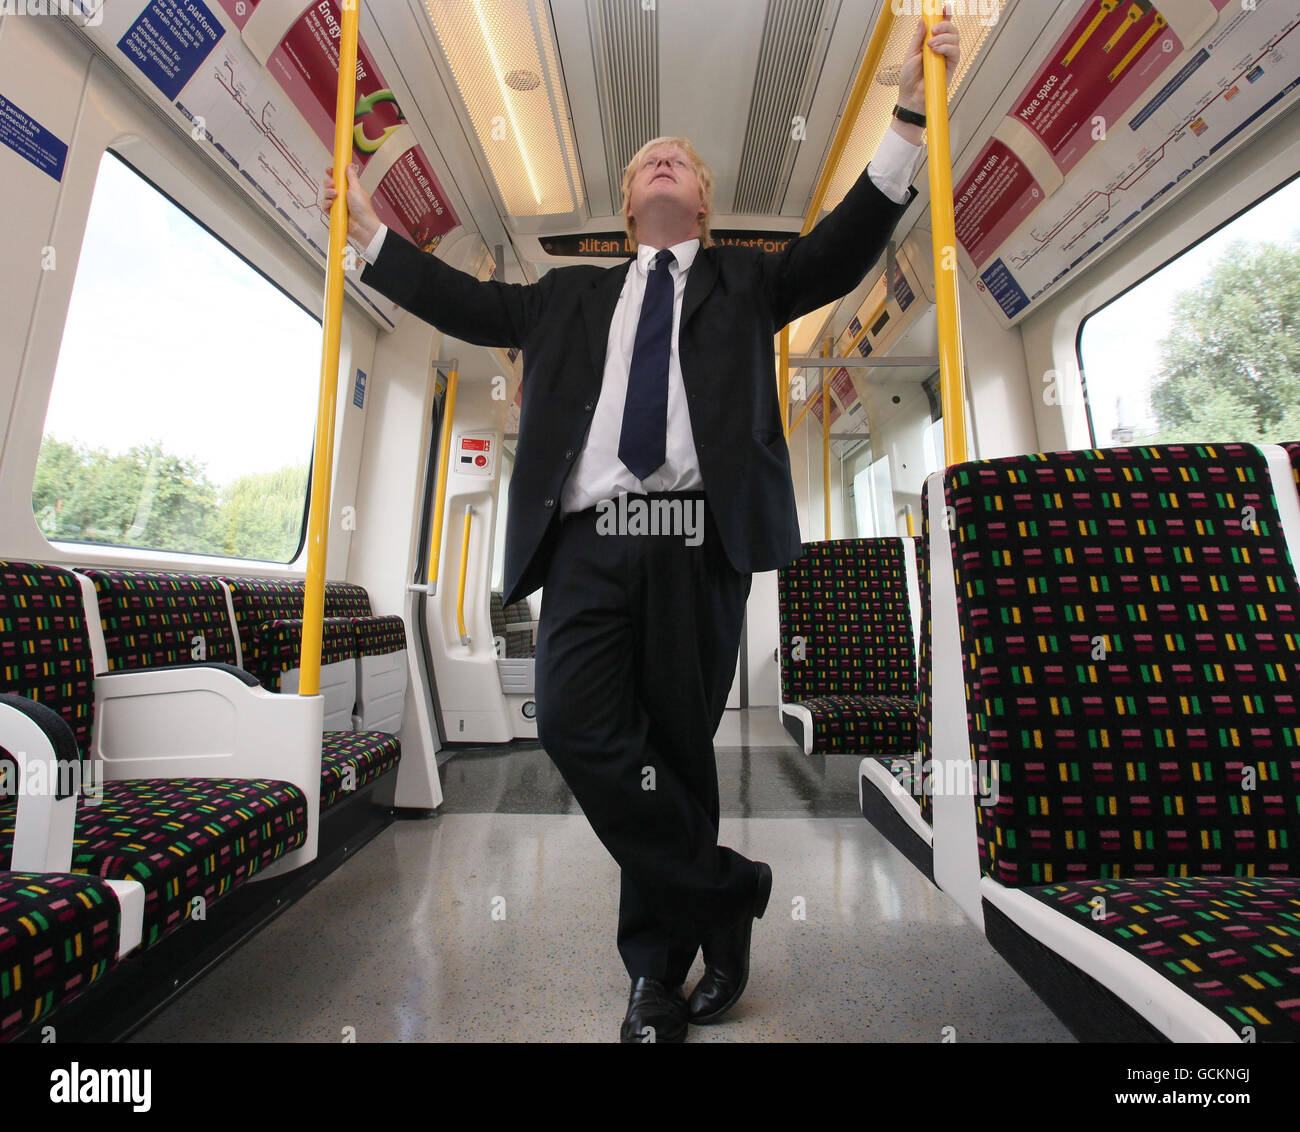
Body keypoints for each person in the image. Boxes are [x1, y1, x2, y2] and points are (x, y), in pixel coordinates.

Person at [324, 9, 961, 1043]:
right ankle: (725, 891)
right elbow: (464, 300)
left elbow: (844, 246)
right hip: (587, 540)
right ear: (628, 207)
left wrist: (902, 114)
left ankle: (654, 978)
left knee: (675, 749)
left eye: (681, 160)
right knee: (578, 725)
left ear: (702, 203)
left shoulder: (750, 283)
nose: (663, 160)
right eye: (646, 161)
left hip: (698, 540)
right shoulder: (568, 296)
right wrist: (371, 239)